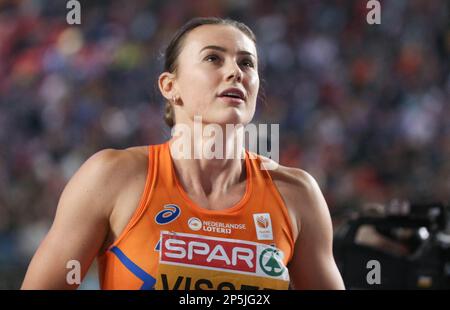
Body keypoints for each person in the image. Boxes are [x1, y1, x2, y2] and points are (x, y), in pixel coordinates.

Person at [21, 17, 345, 290]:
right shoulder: (114, 176)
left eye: (247, 62)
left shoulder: (297, 194)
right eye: (213, 58)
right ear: (169, 86)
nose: (235, 71)